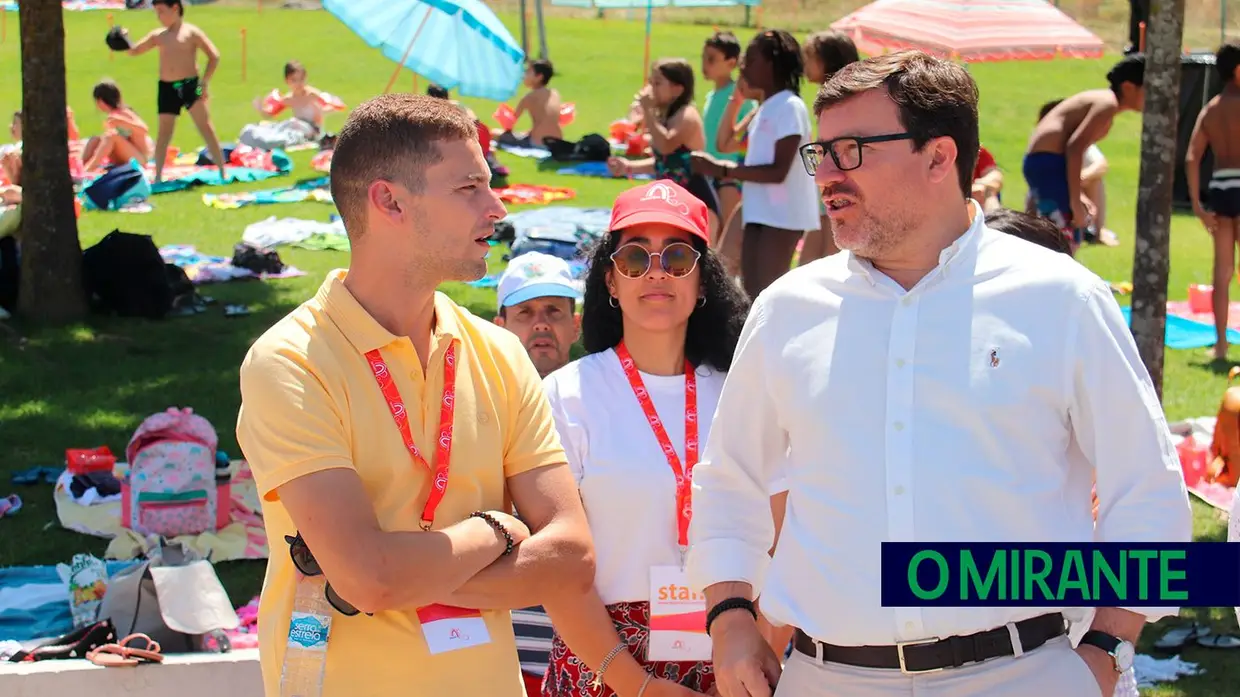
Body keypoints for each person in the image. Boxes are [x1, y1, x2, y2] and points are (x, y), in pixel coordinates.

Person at [687, 50, 1192, 697]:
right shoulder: (787, 310)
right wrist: (729, 618)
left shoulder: (1063, 299)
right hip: (827, 677)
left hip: (1026, 673)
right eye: (823, 154)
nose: (829, 177)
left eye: (854, 150)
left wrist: (1104, 651)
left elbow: (1148, 494)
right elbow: (729, 483)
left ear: (939, 157)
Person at [235, 93, 596, 697]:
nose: (498, 208)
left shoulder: (498, 352)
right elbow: (370, 579)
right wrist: (497, 531)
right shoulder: (290, 361)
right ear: (389, 200)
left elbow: (573, 557)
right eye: (469, 188)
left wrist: (404, 572)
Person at [539, 179, 756, 697]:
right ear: (610, 282)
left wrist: (757, 651)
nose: (656, 272)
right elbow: (556, 564)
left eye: (678, 257)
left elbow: (780, 535)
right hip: (604, 662)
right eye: (635, 258)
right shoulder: (566, 394)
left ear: (703, 281)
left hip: (733, 658)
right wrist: (635, 684)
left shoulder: (743, 393)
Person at [691, 30, 821, 299]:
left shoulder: (789, 106)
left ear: (771, 64)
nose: (743, 67)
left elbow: (778, 170)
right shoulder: (765, 107)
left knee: (767, 293)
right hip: (759, 209)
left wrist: (721, 169)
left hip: (782, 216)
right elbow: (728, 142)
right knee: (750, 291)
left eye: (750, 59)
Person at [1024, 55, 1144, 249]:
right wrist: (1074, 201)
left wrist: (1078, 194)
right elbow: (1075, 148)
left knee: (1065, 235)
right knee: (1064, 238)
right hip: (1048, 163)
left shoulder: (1104, 103)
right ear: (1129, 87)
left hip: (1046, 163)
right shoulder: (1107, 104)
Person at [122, 0, 226, 183]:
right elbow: (135, 51)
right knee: (164, 133)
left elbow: (214, 56)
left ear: (175, 9)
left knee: (206, 128)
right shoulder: (158, 36)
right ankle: (159, 176)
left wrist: (204, 83)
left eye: (162, 11)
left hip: (189, 86)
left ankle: (222, 171)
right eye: (156, 12)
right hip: (167, 88)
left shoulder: (191, 32)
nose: (159, 17)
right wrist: (123, 39)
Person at [608, 59, 719, 229]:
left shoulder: (687, 116)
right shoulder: (665, 117)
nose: (650, 89)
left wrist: (647, 112)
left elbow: (666, 146)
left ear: (678, 89)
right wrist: (628, 166)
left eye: (657, 83)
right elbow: (665, 163)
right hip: (674, 202)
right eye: (651, 82)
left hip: (697, 202)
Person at [1186, 41, 1240, 360]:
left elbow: (1192, 156)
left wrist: (1196, 203)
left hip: (1221, 189)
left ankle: (1220, 345)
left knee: (1222, 272)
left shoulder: (1211, 109)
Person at [797, 30, 861, 265]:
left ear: (827, 60)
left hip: (838, 172)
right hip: (828, 171)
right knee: (818, 238)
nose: (805, 63)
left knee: (830, 244)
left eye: (810, 57)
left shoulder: (845, 98)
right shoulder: (831, 95)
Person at [701, 31, 756, 246]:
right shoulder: (711, 96)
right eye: (704, 58)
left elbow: (744, 136)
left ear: (731, 62)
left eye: (712, 59)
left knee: (727, 235)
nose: (705, 64)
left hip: (730, 175)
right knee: (712, 233)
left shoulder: (740, 97)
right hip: (709, 171)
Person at [494, 251, 583, 380]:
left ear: (575, 326)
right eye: (525, 312)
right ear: (499, 330)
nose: (541, 324)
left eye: (553, 311)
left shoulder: (600, 396)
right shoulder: (480, 398)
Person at [82, 80, 154, 171]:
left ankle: (90, 168)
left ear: (101, 101)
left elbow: (144, 129)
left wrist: (122, 122)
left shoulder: (125, 113)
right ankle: (83, 166)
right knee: (95, 139)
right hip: (124, 157)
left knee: (111, 137)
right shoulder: (112, 116)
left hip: (140, 159)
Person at [500, 59, 562, 149]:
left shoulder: (530, 97)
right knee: (523, 133)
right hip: (557, 141)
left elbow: (510, 123)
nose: (524, 76)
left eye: (528, 72)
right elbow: (549, 120)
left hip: (538, 142)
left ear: (539, 77)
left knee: (496, 134)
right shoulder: (555, 93)